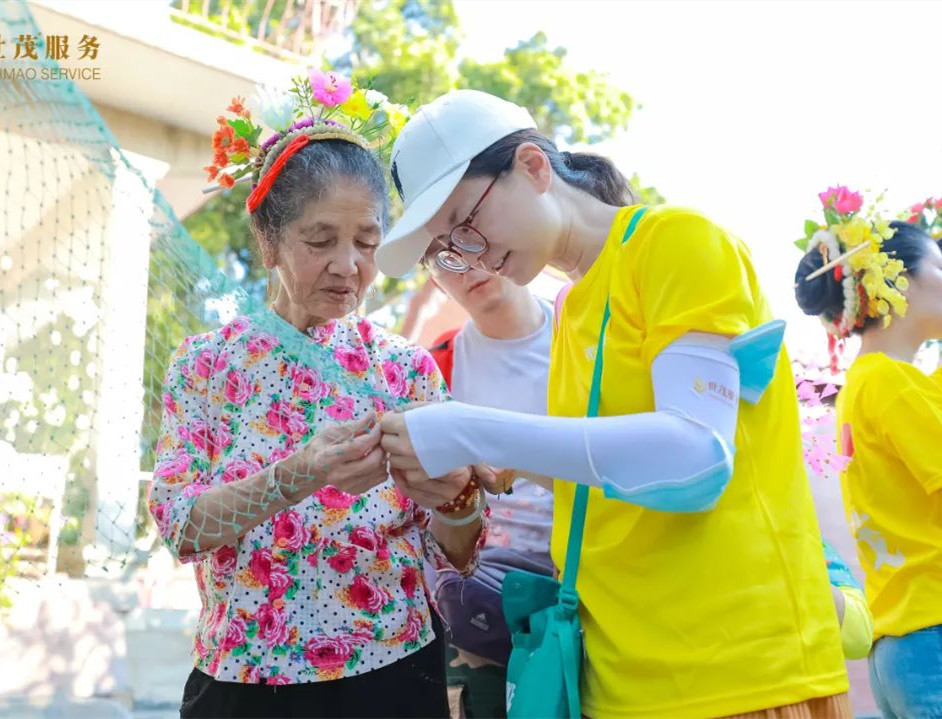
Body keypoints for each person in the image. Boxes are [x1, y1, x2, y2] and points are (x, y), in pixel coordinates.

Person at [375, 89, 850, 719]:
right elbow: (612, 479)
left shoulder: (676, 241)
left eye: (466, 222)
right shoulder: (573, 307)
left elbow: (697, 458)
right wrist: (507, 469)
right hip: (622, 679)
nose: (473, 256)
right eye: (449, 248)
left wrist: (472, 430)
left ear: (533, 167)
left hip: (739, 671)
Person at [147, 72, 490, 719]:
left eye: (367, 242)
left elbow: (459, 550)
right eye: (320, 239)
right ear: (268, 240)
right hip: (244, 680)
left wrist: (456, 495)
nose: (348, 265)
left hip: (392, 674)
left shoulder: (406, 368)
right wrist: (300, 473)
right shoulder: (207, 364)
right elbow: (181, 527)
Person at [794, 195, 942, 719]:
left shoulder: (870, 381)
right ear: (897, 281)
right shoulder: (892, 384)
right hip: (932, 637)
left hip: (905, 641)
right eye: (939, 266)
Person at [425, 265, 556, 718]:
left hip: (585, 596)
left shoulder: (587, 338)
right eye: (440, 257)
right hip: (477, 616)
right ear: (433, 277)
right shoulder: (437, 365)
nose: (463, 266)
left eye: (470, 238)